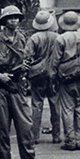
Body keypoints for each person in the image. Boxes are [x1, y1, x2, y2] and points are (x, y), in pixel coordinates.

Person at [0, 4, 36, 159]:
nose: (14, 20)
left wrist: (25, 67)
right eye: (10, 18)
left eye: (16, 17)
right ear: (4, 21)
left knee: (25, 128)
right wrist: (0, 76)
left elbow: (26, 58)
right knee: (2, 131)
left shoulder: (22, 38)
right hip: (0, 89)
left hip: (17, 87)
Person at [51, 10, 80, 151]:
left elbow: (54, 62)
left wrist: (53, 79)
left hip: (66, 79)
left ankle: (70, 141)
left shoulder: (60, 39)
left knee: (67, 110)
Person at [24, 9, 61, 145]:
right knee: (55, 105)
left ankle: (35, 136)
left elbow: (27, 56)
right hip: (54, 74)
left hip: (37, 75)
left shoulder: (34, 38)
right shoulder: (57, 37)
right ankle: (56, 135)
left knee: (36, 105)